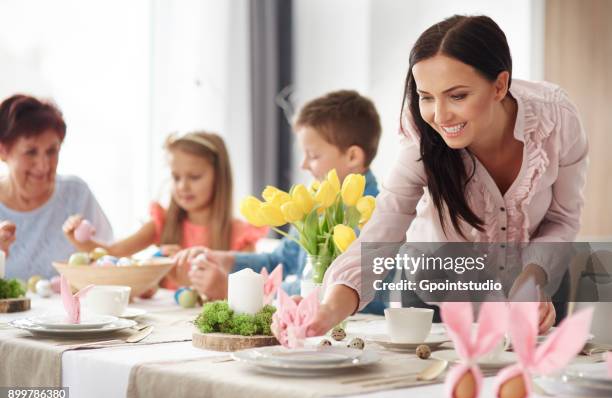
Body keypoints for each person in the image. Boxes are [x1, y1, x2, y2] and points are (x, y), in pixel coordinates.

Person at [303, 15, 588, 336]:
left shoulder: (556, 121)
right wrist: (328, 310)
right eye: (426, 96)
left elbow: (563, 219)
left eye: (457, 96)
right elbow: (381, 234)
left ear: (499, 85)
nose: (439, 116)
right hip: (436, 300)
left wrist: (533, 276)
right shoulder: (422, 141)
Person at [177, 90, 390, 313]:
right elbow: (279, 260)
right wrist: (226, 260)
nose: (303, 165)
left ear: (353, 157)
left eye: (314, 155)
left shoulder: (373, 213)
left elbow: (329, 287)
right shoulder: (316, 203)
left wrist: (236, 289)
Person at [63, 131, 267, 289]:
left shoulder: (240, 235)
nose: (182, 186)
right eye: (176, 177)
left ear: (219, 178)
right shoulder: (163, 223)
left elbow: (253, 293)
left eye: (194, 177)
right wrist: (80, 240)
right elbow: (115, 254)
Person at [0, 94, 113, 280]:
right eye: (31, 152)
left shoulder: (77, 194)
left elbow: (111, 263)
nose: (43, 166)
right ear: (3, 150)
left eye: (52, 151)